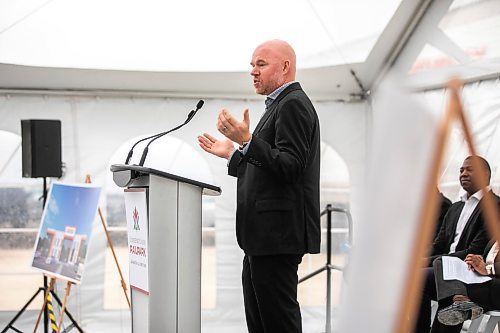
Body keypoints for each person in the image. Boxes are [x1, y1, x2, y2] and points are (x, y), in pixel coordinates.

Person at [197, 39, 321, 333]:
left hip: (277, 238)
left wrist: (247, 141)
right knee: (261, 323)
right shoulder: (279, 104)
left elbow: (291, 167)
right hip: (262, 239)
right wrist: (232, 153)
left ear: (285, 67)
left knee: (277, 323)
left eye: (261, 64)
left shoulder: (293, 104)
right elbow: (267, 167)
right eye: (252, 65)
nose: (253, 71)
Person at [414, 155, 496, 333]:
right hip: (445, 270)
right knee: (415, 277)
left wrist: (432, 262)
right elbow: (439, 244)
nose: (463, 173)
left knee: (421, 277)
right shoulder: (455, 208)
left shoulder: (495, 206)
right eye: (461, 170)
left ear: (485, 174)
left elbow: (476, 250)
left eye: (469, 169)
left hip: (471, 269)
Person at [430, 239, 500, 333]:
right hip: (484, 279)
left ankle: (460, 302)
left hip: (495, 285)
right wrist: (477, 261)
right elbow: (490, 259)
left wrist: (489, 269)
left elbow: (489, 268)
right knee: (440, 261)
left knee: (451, 291)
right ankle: (460, 302)